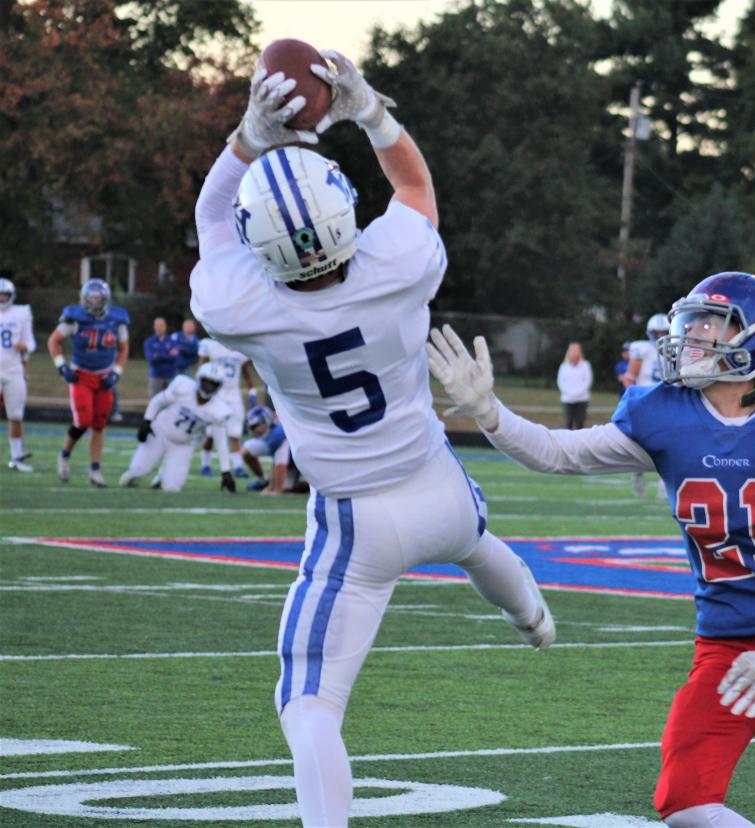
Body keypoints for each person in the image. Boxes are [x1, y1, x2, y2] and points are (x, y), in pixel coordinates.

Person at [187, 52, 555, 827]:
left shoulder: (242, 307)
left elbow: (212, 221)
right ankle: (532, 617)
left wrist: (246, 141)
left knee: (308, 701)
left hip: (356, 522)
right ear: (345, 209)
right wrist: (373, 115)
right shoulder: (397, 262)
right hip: (439, 482)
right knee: (478, 542)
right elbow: (415, 188)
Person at [427, 271, 755, 828]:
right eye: (693, 321)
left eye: (711, 323)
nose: (694, 334)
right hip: (727, 644)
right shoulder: (668, 415)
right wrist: (490, 413)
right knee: (685, 805)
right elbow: (559, 452)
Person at [48, 278, 129, 487]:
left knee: (100, 424)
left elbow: (124, 348)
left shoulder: (117, 320)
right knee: (83, 420)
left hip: (104, 377)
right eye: (90, 298)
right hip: (81, 376)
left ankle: (95, 470)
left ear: (105, 299)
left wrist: (117, 372)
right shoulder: (74, 318)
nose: (93, 302)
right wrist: (61, 367)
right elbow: (53, 341)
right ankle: (64, 455)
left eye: (97, 298)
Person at [119, 363, 235, 493]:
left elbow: (221, 442)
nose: (208, 387)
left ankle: (162, 477)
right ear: (199, 379)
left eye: (213, 384)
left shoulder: (218, 410)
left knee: (172, 487)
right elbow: (158, 401)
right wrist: (147, 421)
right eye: (206, 382)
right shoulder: (183, 387)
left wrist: (226, 471)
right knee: (139, 470)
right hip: (160, 433)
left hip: (182, 445)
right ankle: (131, 476)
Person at [197, 337, 258, 477]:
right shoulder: (211, 346)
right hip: (215, 393)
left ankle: (237, 467)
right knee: (211, 433)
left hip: (234, 394)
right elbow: (201, 370)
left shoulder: (239, 348)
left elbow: (247, 375)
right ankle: (205, 464)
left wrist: (252, 392)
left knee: (235, 433)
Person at [625, 312, 670, 497]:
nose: (659, 337)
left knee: (668, 443)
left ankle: (664, 482)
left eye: (663, 333)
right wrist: (633, 399)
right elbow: (629, 378)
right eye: (656, 333)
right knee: (641, 443)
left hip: (667, 399)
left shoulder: (677, 348)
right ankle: (638, 474)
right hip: (645, 399)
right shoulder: (641, 349)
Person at [0, 276, 36, 472]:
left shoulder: (21, 313)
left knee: (15, 415)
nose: (2, 298)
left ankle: (16, 457)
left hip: (14, 370)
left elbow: (30, 343)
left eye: (5, 295)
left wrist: (24, 347)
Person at [240, 404, 291, 493]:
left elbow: (280, 464)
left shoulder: (277, 433)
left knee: (290, 487)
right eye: (253, 427)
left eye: (257, 425)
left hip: (296, 461)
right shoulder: (271, 433)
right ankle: (262, 480)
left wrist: (276, 489)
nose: (256, 429)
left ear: (266, 420)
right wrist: (271, 486)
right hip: (285, 452)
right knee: (246, 450)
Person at [556, 342, 592, 430]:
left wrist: (578, 393)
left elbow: (588, 381)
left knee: (580, 423)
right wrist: (569, 393)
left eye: (577, 350)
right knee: (568, 423)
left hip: (582, 399)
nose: (575, 352)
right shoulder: (563, 366)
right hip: (568, 399)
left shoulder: (586, 365)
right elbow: (560, 382)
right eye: (573, 350)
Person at [143, 316, 179, 397]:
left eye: (161, 325)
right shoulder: (149, 342)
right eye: (157, 325)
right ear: (154, 327)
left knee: (170, 402)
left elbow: (174, 358)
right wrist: (168, 354)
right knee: (155, 401)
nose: (159, 327)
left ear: (165, 327)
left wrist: (158, 355)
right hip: (155, 376)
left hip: (170, 376)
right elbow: (151, 359)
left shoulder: (172, 341)